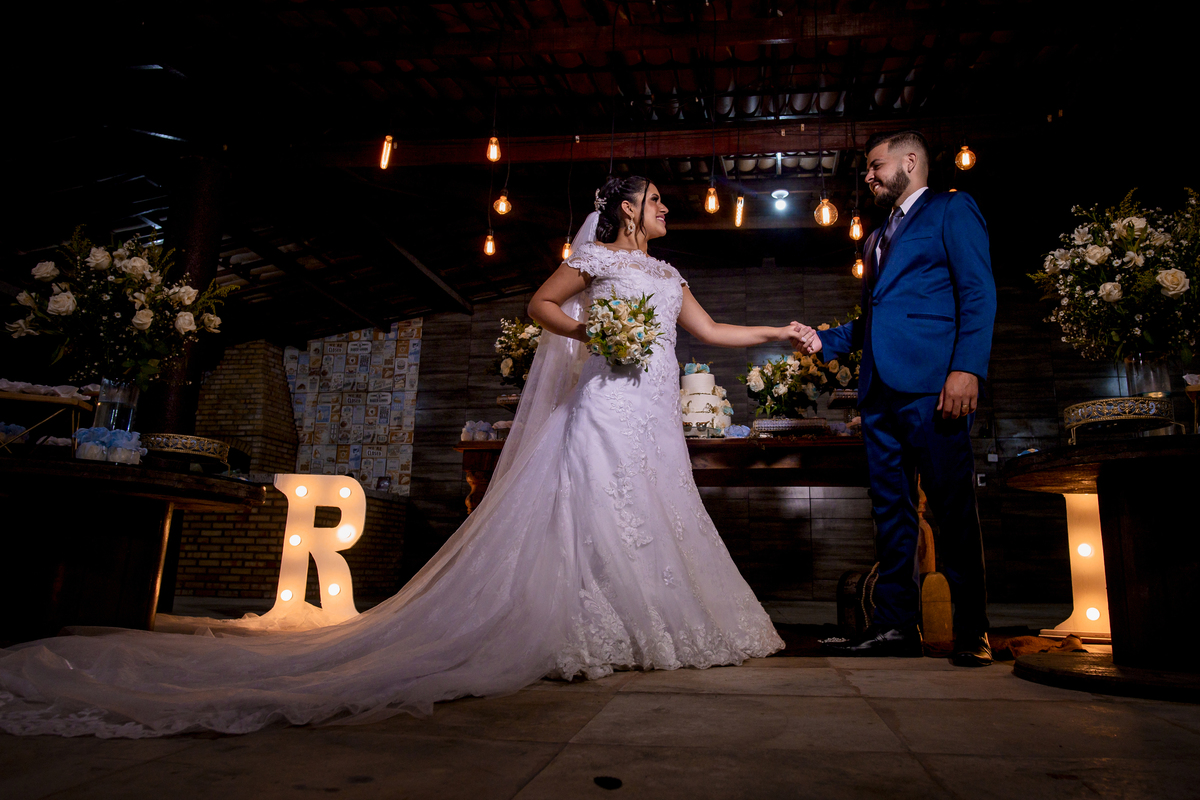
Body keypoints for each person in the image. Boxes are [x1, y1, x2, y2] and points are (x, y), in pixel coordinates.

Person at [0, 175, 802, 738]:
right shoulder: (593, 262)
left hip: (653, 410)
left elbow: (710, 332)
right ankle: (587, 628)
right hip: (602, 403)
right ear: (627, 207)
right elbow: (540, 306)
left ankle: (649, 624)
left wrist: (779, 331)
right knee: (593, 508)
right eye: (657, 200)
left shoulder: (666, 271)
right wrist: (594, 331)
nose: (666, 209)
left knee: (658, 510)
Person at [794, 130, 997, 667]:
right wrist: (824, 340)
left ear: (911, 162)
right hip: (879, 394)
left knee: (952, 510)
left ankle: (972, 629)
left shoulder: (953, 210)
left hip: (936, 388)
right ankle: (894, 628)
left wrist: (967, 367)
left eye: (875, 165)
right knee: (890, 514)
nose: (868, 174)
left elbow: (978, 291)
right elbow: (875, 320)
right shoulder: (877, 235)